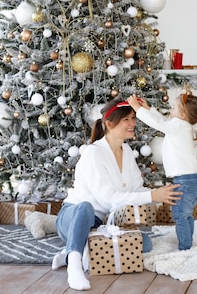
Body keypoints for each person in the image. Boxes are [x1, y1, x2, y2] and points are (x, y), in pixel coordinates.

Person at [52, 98, 182, 291]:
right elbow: (108, 198)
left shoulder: (127, 151)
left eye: (133, 118)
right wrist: (152, 196)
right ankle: (74, 263)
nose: (132, 124)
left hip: (102, 223)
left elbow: (137, 188)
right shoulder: (93, 153)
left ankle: (75, 249)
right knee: (86, 208)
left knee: (143, 244)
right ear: (110, 124)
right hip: (74, 217)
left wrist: (162, 194)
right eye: (126, 120)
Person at [128, 89, 197, 251]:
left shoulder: (178, 126)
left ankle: (185, 248)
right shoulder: (187, 126)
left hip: (183, 181)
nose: (170, 110)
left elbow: (159, 124)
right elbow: (164, 121)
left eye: (173, 107)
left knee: (180, 215)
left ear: (183, 114)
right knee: (186, 215)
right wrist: (149, 109)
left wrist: (138, 109)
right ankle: (188, 243)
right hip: (194, 181)